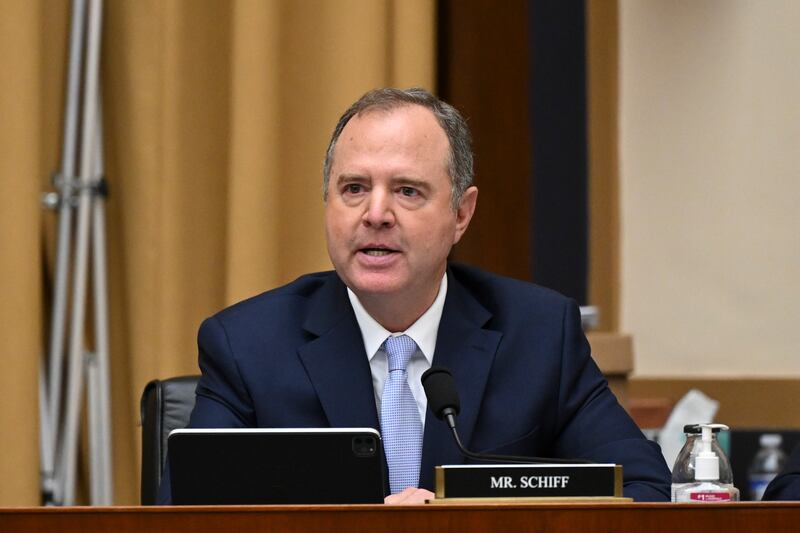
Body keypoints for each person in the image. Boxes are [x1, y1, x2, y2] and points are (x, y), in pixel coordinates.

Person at [158, 88, 671, 504]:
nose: (375, 214)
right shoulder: (248, 346)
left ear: (461, 214)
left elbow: (644, 489)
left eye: (407, 191)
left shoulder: (537, 335)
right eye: (354, 188)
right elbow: (184, 518)